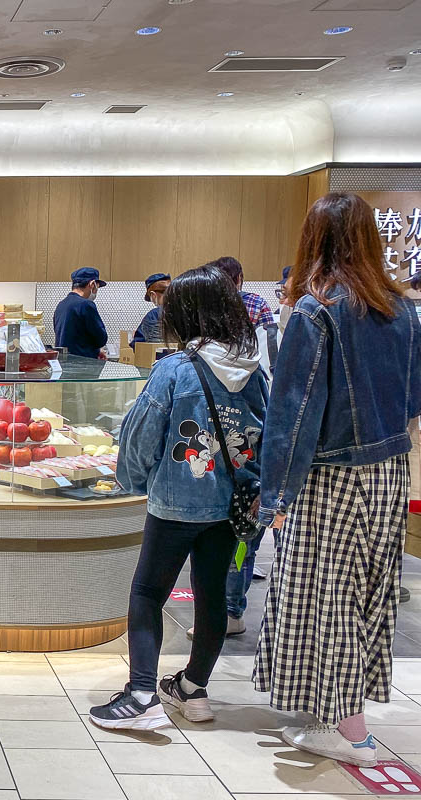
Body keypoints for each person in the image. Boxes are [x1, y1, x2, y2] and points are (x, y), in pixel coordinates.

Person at [255, 192, 421, 766]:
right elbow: (413, 399)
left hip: (330, 477)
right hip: (389, 472)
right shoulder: (402, 311)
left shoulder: (315, 310)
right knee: (369, 593)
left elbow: (293, 412)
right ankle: (339, 716)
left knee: (327, 599)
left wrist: (274, 495)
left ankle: (350, 732)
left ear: (314, 239)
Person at [89, 264, 268, 731]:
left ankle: (141, 695)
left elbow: (141, 436)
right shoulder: (253, 372)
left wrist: (132, 482)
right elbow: (266, 436)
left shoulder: (174, 369)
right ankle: (193, 689)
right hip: (229, 505)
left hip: (175, 501)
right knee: (211, 595)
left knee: (148, 592)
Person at [54, 267, 109, 359]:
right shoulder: (86, 305)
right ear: (92, 284)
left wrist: (97, 351)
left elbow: (71, 337)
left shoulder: (61, 305)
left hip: (63, 362)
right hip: (83, 363)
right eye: (97, 287)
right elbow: (101, 339)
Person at [131, 273, 170, 345]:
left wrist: (135, 337)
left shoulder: (154, 314)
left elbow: (138, 345)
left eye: (150, 298)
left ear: (153, 295)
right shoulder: (185, 311)